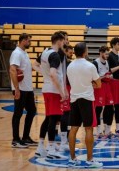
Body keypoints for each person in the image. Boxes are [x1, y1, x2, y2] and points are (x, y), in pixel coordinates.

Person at [67, 42, 103, 168]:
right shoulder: (90, 66)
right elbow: (99, 84)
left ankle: (72, 158)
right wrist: (91, 84)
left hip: (74, 99)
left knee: (73, 128)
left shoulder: (70, 66)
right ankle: (89, 159)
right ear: (85, 52)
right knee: (89, 128)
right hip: (87, 99)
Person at [34, 32, 68, 160]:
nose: (64, 43)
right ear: (59, 41)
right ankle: (52, 149)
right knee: (54, 118)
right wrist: (62, 92)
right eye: (63, 40)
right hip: (53, 90)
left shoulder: (45, 52)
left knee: (48, 118)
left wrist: (45, 74)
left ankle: (41, 147)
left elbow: (36, 65)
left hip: (46, 88)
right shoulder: (55, 55)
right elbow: (54, 74)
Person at [10, 33, 37, 148]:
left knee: (32, 111)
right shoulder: (16, 53)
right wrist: (16, 89)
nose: (30, 43)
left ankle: (25, 137)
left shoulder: (24, 53)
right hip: (20, 89)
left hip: (27, 88)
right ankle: (15, 140)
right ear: (23, 41)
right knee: (18, 113)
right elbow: (12, 70)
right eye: (28, 41)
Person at [93, 46, 115, 139]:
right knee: (98, 109)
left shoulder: (107, 62)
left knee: (110, 108)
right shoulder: (95, 63)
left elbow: (108, 73)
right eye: (106, 53)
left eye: (108, 53)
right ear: (101, 53)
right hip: (99, 87)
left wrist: (110, 76)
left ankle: (107, 130)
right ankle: (98, 131)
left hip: (107, 87)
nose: (107, 55)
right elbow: (94, 78)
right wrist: (103, 77)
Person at [107, 37, 119, 138]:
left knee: (118, 106)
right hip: (112, 82)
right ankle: (107, 129)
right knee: (110, 107)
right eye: (118, 44)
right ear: (114, 44)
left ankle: (118, 128)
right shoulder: (109, 55)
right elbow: (110, 70)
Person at [58, 44, 73, 152]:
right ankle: (63, 141)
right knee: (65, 113)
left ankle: (66, 139)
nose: (71, 54)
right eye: (69, 52)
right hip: (65, 88)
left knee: (69, 114)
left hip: (71, 88)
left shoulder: (70, 63)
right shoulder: (64, 63)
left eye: (72, 52)